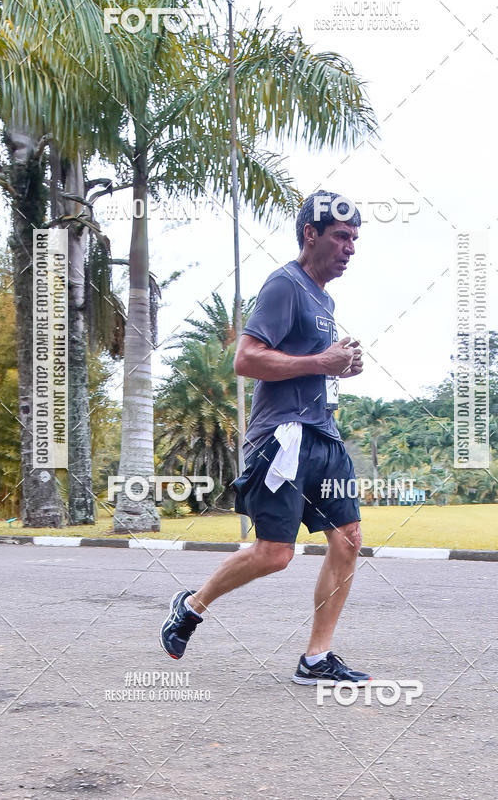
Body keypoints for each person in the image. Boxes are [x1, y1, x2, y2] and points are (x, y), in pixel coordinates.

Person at [160, 190, 370, 685]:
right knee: (275, 553)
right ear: (310, 234)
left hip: (324, 435)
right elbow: (246, 359)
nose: (351, 248)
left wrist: (342, 364)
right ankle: (191, 605)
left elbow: (309, 366)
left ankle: (316, 659)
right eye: (342, 237)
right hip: (283, 439)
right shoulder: (284, 285)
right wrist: (322, 362)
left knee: (349, 539)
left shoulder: (324, 298)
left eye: (355, 239)